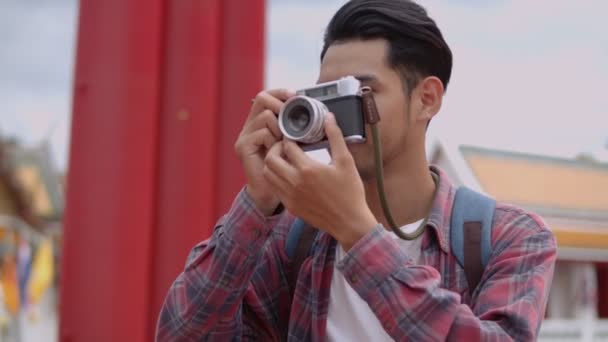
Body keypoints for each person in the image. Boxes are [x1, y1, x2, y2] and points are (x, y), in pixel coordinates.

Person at [156, 0, 557, 340]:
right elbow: (184, 332)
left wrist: (358, 234)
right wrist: (258, 202)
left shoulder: (509, 236)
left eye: (359, 93)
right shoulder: (293, 240)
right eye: (323, 97)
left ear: (427, 99)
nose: (334, 118)